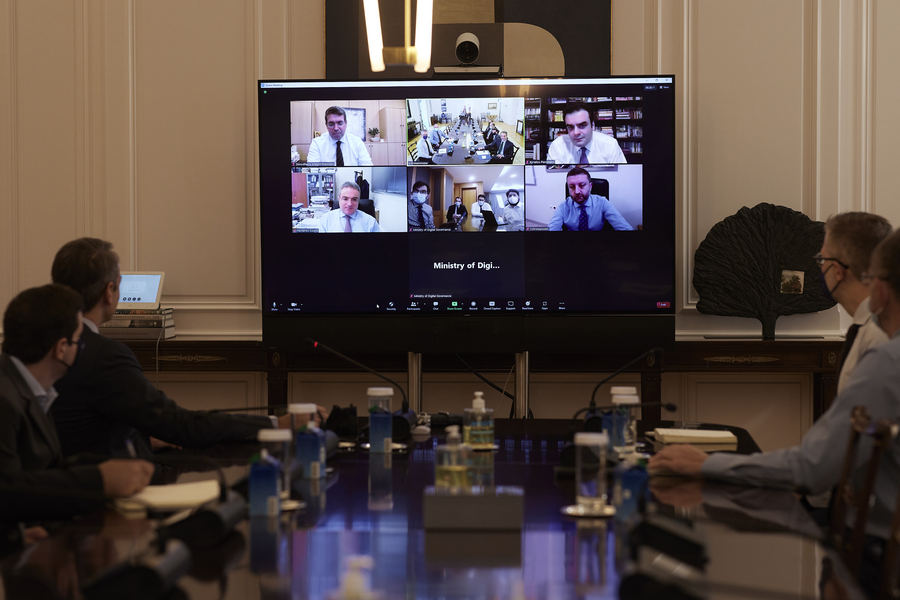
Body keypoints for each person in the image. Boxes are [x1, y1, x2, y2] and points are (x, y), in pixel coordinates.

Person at [649, 227, 900, 544]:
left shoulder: (887, 361)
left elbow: (812, 468)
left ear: (880, 288)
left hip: (868, 549)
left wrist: (708, 464)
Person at [49, 238, 305, 459]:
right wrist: (276, 423)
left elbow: (82, 425)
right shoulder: (105, 356)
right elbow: (180, 425)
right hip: (101, 487)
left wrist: (141, 438)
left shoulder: (40, 343)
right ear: (110, 291)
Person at [0, 284, 154, 521]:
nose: (82, 350)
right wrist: (99, 480)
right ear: (61, 348)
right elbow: (7, 490)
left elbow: (45, 469)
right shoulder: (5, 400)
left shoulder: (33, 389)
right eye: (78, 342)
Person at [816, 212, 892, 393]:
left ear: (837, 270)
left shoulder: (879, 337)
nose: (820, 266)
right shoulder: (869, 326)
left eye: (822, 259)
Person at [548, 167, 634, 231]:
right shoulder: (563, 207)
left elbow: (624, 227)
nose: (577, 191)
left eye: (582, 185)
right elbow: (553, 229)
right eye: (572, 187)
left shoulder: (603, 203)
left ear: (590, 186)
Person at [546, 102, 626, 165]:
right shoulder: (557, 146)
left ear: (593, 126)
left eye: (582, 125)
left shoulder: (610, 145)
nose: (576, 132)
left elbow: (622, 176)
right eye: (570, 127)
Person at [306, 106, 373, 166]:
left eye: (340, 123)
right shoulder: (317, 143)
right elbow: (312, 170)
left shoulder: (357, 142)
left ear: (346, 123)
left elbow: (367, 167)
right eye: (331, 124)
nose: (336, 128)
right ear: (326, 125)